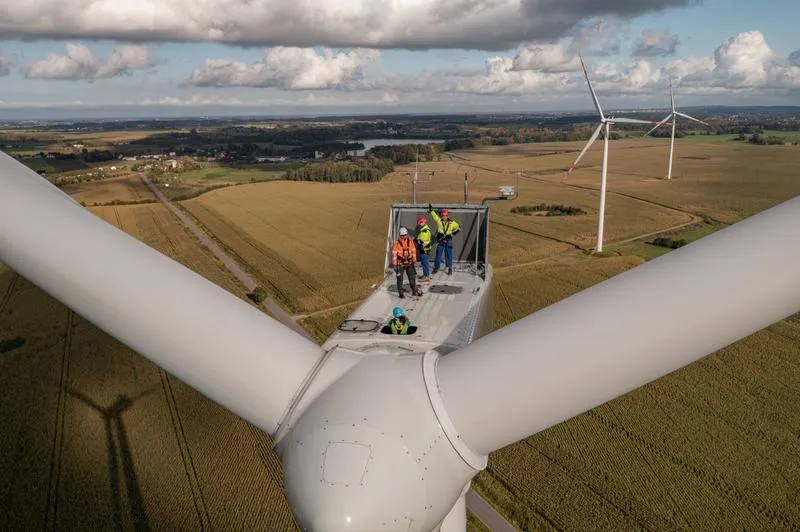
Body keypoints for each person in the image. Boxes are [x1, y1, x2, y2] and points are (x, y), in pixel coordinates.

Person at [428, 204, 461, 275]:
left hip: (448, 241)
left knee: (448, 255)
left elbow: (459, 228)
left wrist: (452, 234)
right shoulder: (439, 221)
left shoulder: (452, 223)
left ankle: (449, 268)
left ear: (447, 216)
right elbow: (434, 216)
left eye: (445, 216)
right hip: (440, 241)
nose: (444, 217)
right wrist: (431, 211)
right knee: (438, 255)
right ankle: (436, 268)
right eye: (442, 216)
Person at [391, 227, 423, 298]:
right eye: (402, 235)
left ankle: (414, 291)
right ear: (400, 235)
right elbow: (394, 255)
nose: (404, 236)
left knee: (412, 279)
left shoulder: (410, 242)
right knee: (400, 279)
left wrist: (414, 261)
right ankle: (401, 294)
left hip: (409, 263)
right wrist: (395, 265)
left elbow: (413, 251)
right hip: (400, 264)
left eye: (405, 235)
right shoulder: (396, 243)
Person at [414, 216, 432, 282]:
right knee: (424, 262)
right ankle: (425, 275)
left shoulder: (425, 232)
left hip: (424, 249)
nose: (419, 225)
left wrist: (416, 240)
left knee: (425, 263)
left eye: (419, 224)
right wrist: (415, 238)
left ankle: (426, 276)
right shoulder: (424, 230)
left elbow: (420, 241)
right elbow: (419, 237)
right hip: (425, 249)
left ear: (422, 223)